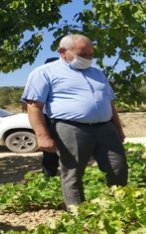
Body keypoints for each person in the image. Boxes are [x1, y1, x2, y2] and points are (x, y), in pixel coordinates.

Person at [21, 34, 128, 209]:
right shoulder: (44, 72)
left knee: (118, 167)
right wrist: (42, 136)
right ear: (63, 52)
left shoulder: (98, 73)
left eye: (91, 55)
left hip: (106, 129)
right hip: (71, 128)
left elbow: (109, 102)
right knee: (73, 173)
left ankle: (119, 207)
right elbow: (33, 106)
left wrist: (118, 128)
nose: (88, 59)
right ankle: (77, 214)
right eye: (82, 54)